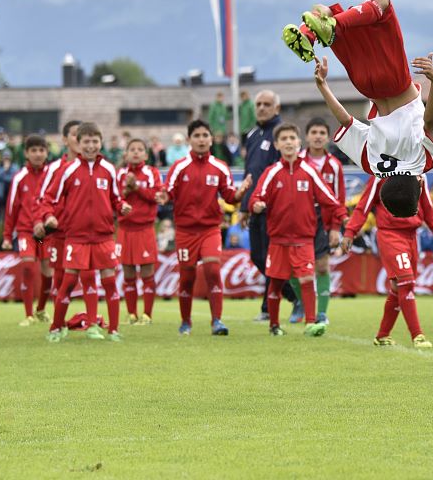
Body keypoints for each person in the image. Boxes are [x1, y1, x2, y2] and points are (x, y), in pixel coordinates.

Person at [287, 0, 433, 216]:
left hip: (395, 82)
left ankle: (328, 27)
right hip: (365, 86)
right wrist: (322, 85)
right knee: (326, 12)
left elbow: (430, 122)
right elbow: (346, 121)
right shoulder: (372, 166)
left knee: (383, 3)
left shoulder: (425, 161)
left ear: (419, 187)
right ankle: (308, 35)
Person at [248, 123, 347, 337]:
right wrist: (256, 205)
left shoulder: (310, 172)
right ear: (277, 145)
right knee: (275, 283)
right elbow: (257, 196)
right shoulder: (271, 172)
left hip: (304, 239)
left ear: (298, 142)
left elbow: (330, 199)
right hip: (278, 240)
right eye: (283, 139)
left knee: (306, 279)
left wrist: (343, 217)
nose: (288, 142)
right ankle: (274, 325)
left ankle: (311, 323)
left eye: (292, 138)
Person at [41, 122, 130, 342]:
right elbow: (49, 199)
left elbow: (116, 198)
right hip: (76, 237)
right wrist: (48, 216)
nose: (91, 146)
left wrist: (122, 206)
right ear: (78, 144)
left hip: (103, 236)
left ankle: (114, 330)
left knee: (109, 282)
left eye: (95, 141)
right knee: (68, 283)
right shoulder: (67, 170)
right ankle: (55, 328)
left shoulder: (109, 169)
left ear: (101, 143)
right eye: (86, 142)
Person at [161, 120, 252, 336]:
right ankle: (186, 322)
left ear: (211, 139)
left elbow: (230, 196)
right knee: (187, 277)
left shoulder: (220, 166)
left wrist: (241, 193)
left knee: (212, 270)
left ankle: (217, 321)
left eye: (205, 135)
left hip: (210, 229)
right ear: (189, 140)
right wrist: (162, 196)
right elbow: (168, 193)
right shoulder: (179, 167)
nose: (201, 139)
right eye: (197, 136)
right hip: (185, 231)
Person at [344, 174, 433, 348]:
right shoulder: (379, 174)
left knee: (398, 287)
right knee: (406, 282)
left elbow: (427, 210)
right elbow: (363, 206)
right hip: (390, 234)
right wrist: (350, 231)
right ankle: (417, 335)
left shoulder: (420, 175)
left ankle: (382, 335)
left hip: (412, 236)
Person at [239, 90, 298, 321]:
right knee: (258, 257)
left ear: (277, 108)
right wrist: (244, 206)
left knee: (269, 258)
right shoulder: (252, 134)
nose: (262, 108)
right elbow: (249, 174)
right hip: (254, 206)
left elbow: (283, 170)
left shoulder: (280, 133)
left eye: (267, 104)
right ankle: (290, 298)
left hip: (275, 208)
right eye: (259, 104)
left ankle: (278, 303)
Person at [294, 117, 346, 325]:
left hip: (323, 224)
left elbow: (338, 199)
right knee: (293, 270)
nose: (317, 136)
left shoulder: (334, 165)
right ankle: (302, 304)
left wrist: (335, 228)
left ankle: (322, 313)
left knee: (322, 267)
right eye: (313, 132)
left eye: (322, 133)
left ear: (327, 137)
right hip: (298, 223)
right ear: (306, 137)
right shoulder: (296, 161)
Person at [1, 135, 52, 326]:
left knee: (48, 272)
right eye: (34, 150)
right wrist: (7, 235)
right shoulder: (19, 177)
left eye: (41, 150)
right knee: (29, 267)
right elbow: (11, 207)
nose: (38, 154)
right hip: (27, 232)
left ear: (47, 152)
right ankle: (29, 314)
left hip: (46, 233)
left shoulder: (52, 175)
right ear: (26, 153)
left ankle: (41, 309)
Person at [115, 138, 163, 326]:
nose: (136, 152)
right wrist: (127, 189)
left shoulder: (152, 173)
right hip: (125, 229)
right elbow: (114, 198)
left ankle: (147, 315)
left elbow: (158, 197)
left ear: (146, 154)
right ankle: (132, 314)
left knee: (147, 274)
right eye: (132, 149)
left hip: (145, 229)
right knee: (128, 274)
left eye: (140, 149)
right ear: (126, 154)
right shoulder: (119, 174)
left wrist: (136, 188)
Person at [0, 149, 18, 222]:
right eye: (5, 157)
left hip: (9, 195)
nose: (6, 159)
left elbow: (13, 177)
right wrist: (4, 169)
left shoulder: (14, 167)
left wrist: (2, 177)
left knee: (8, 216)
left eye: (8, 158)